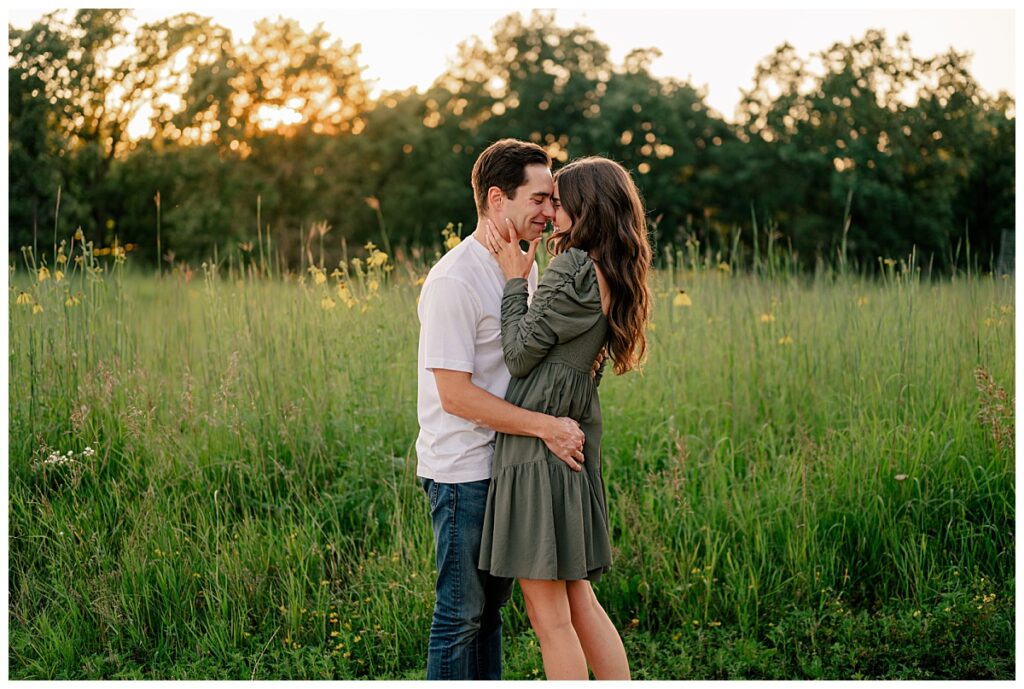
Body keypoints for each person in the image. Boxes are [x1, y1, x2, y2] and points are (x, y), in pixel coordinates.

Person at [415, 138, 589, 681]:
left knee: (491, 617)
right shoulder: (454, 279)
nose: (549, 211)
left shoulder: (523, 267)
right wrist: (547, 429)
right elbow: (456, 396)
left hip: (510, 469)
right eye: (538, 198)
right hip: (464, 473)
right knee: (459, 618)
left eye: (552, 199)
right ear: (497, 199)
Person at [477, 156, 652, 680]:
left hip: (540, 441)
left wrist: (515, 280)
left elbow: (520, 352)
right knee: (579, 600)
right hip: (570, 434)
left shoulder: (573, 268)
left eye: (559, 201)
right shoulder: (612, 270)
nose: (552, 212)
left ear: (585, 207)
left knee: (549, 616)